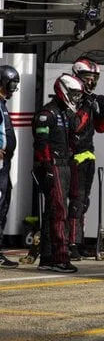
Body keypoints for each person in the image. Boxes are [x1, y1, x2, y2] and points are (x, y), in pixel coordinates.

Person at [33, 74, 83, 273]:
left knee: (53, 212)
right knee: (59, 211)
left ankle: (47, 257)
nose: (76, 98)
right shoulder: (48, 113)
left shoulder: (64, 113)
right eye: (73, 93)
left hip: (64, 165)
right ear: (62, 90)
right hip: (52, 166)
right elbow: (40, 143)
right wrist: (46, 168)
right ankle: (60, 258)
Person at [68, 58, 104, 260]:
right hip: (73, 157)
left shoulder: (92, 99)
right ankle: (71, 244)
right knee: (76, 201)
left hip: (88, 155)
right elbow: (75, 127)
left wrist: (102, 110)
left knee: (84, 202)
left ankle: (80, 241)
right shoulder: (71, 98)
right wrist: (85, 106)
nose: (91, 83)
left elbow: (101, 128)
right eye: (87, 78)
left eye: (94, 79)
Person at [0, 66, 19, 268]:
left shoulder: (2, 104)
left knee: (3, 207)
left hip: (4, 166)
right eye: (12, 84)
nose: (14, 89)